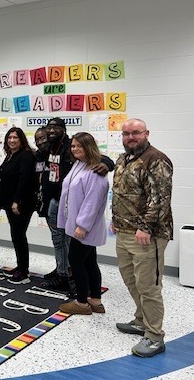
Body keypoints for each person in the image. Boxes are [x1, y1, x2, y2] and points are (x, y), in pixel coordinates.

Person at [112, 119, 173, 358]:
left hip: (148, 235)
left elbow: (160, 198)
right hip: (124, 230)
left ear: (146, 133)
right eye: (126, 134)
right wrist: (115, 218)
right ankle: (141, 321)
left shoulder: (156, 159)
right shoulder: (123, 158)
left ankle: (155, 336)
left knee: (149, 287)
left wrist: (146, 227)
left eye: (135, 133)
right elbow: (121, 192)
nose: (130, 137)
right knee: (131, 280)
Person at [40, 117, 113, 293]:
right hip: (59, 204)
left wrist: (107, 164)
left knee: (76, 255)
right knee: (61, 243)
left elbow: (105, 161)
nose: (51, 131)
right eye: (49, 127)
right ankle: (63, 271)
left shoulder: (87, 162)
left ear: (64, 130)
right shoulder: (53, 151)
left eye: (56, 127)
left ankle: (73, 286)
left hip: (79, 216)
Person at [57, 133, 108, 315]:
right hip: (78, 224)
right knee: (89, 261)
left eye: (79, 146)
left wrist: (82, 225)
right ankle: (95, 300)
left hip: (85, 227)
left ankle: (81, 303)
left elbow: (92, 201)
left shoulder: (96, 171)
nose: (75, 149)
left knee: (76, 261)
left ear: (89, 147)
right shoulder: (79, 165)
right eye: (73, 146)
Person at [0, 127, 36, 284]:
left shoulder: (26, 156)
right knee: (16, 235)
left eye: (15, 137)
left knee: (19, 235)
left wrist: (16, 201)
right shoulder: (10, 155)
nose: (12, 140)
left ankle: (23, 271)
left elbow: (24, 179)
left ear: (21, 140)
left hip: (21, 203)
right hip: (10, 203)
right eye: (9, 137)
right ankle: (20, 266)